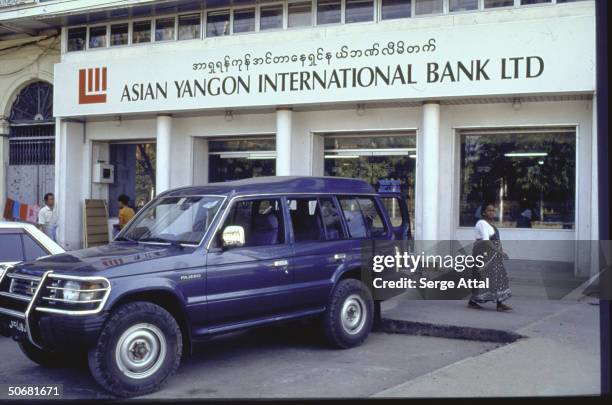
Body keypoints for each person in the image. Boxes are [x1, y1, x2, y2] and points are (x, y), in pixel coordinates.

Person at [468, 203, 512, 312]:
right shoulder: (482, 223)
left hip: (491, 254)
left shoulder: (489, 224)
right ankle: (473, 301)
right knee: (483, 277)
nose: (492, 212)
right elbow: (486, 240)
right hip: (484, 253)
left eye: (493, 210)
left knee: (496, 277)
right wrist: (500, 252)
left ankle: (499, 303)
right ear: (484, 212)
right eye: (489, 210)